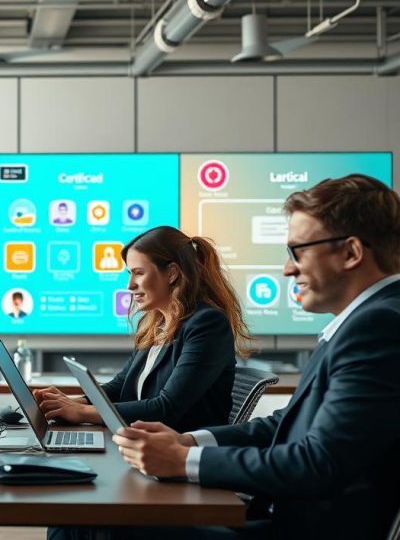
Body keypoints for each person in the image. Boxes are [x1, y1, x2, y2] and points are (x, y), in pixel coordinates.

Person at [111, 175, 400, 539]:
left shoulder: (378, 325)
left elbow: (318, 462)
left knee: (103, 524)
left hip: (297, 530)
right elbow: (283, 424)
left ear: (351, 253)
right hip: (278, 517)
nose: (287, 269)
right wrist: (190, 441)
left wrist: (185, 460)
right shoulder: (366, 321)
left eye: (298, 251)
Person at [35, 226, 251, 434]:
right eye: (129, 273)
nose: (129, 284)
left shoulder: (207, 324)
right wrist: (69, 403)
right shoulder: (155, 324)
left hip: (178, 453)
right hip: (144, 440)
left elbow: (166, 408)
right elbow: (120, 387)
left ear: (172, 273)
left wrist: (82, 412)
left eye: (139, 273)